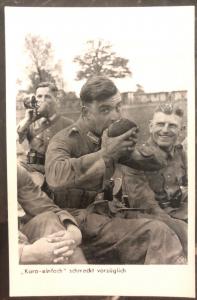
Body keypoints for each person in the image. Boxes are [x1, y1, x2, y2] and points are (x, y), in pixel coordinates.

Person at [45, 76, 186, 264]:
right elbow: (55, 177)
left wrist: (134, 148)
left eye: (118, 107)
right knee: (156, 232)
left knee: (177, 227)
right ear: (85, 111)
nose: (115, 116)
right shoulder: (64, 140)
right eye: (105, 109)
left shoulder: (108, 136)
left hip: (106, 213)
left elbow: (155, 162)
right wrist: (106, 154)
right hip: (74, 221)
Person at [114, 103, 187, 255]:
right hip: (150, 218)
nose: (165, 130)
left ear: (181, 130)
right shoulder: (135, 159)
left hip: (178, 211)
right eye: (160, 124)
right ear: (150, 126)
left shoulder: (181, 153)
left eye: (172, 126)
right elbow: (147, 207)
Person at [17, 163, 86, 264]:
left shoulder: (15, 171)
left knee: (49, 220)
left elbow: (47, 209)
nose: (24, 149)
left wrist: (73, 230)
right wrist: (24, 253)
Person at [17, 82, 73, 174]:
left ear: (56, 100)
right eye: (39, 96)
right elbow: (16, 141)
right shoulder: (30, 122)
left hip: (58, 174)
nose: (42, 100)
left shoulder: (68, 124)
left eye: (47, 96)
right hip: (33, 173)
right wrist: (27, 121)